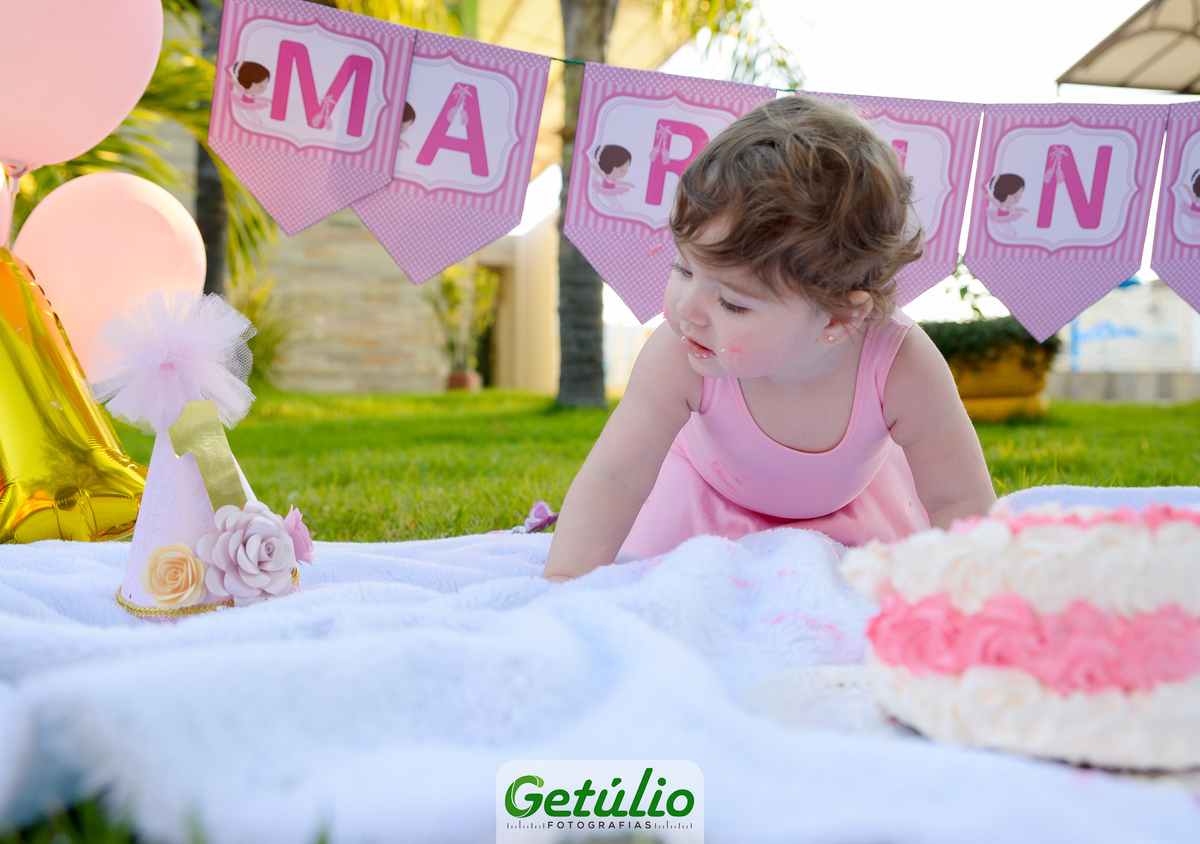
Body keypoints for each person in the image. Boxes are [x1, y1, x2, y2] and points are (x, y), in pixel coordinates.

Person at [543, 95, 996, 582]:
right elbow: (616, 476)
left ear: (838, 318)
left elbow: (959, 499)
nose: (687, 309)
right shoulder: (678, 355)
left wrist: (976, 593)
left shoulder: (900, 365)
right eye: (684, 268)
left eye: (733, 303)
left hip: (851, 511)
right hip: (706, 501)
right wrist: (563, 581)